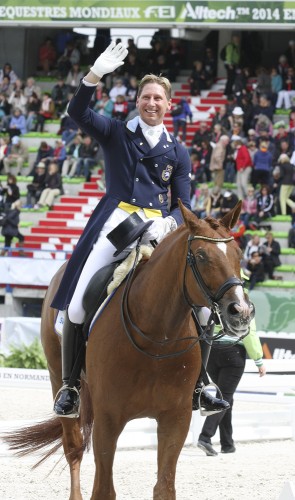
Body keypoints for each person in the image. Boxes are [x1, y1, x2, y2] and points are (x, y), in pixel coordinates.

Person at [50, 41, 229, 418]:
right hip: (117, 221)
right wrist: (94, 74)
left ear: (168, 105)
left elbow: (184, 204)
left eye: (158, 99)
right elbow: (76, 111)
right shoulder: (116, 132)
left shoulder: (177, 151)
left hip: (160, 225)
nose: (151, 103)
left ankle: (202, 384)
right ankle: (69, 387)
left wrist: (170, 222)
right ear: (137, 101)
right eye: (146, 97)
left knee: (200, 308)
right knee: (81, 300)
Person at [197, 317, 266, 456]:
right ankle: (205, 437)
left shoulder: (215, 301)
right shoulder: (244, 305)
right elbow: (249, 333)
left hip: (212, 351)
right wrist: (258, 360)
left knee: (225, 396)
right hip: (233, 351)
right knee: (225, 397)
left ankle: (227, 444)